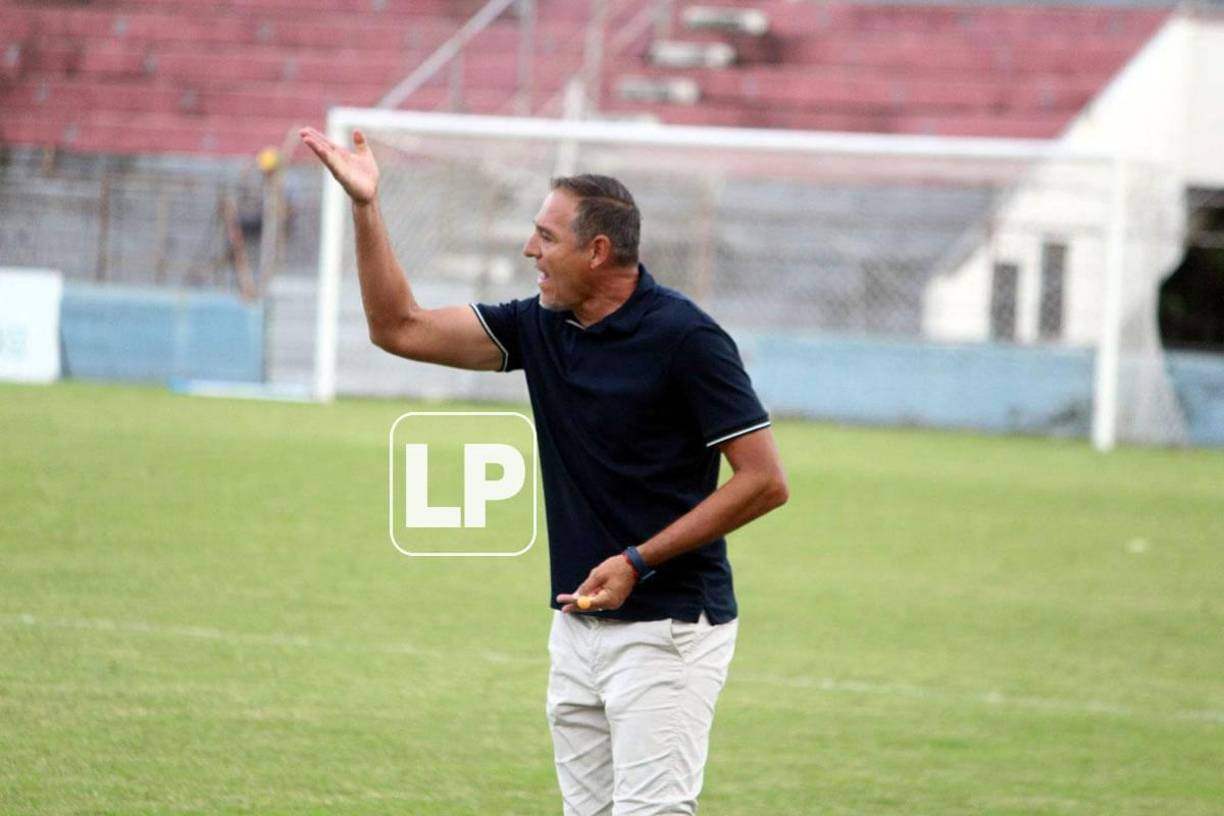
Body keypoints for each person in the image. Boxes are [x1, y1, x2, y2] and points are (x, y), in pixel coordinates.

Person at [300, 126, 789, 816]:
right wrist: (365, 206)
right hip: (576, 622)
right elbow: (398, 328)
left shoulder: (687, 338)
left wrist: (637, 561)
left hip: (669, 627)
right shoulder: (540, 326)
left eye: (546, 236)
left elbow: (765, 481)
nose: (529, 249)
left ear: (598, 251)